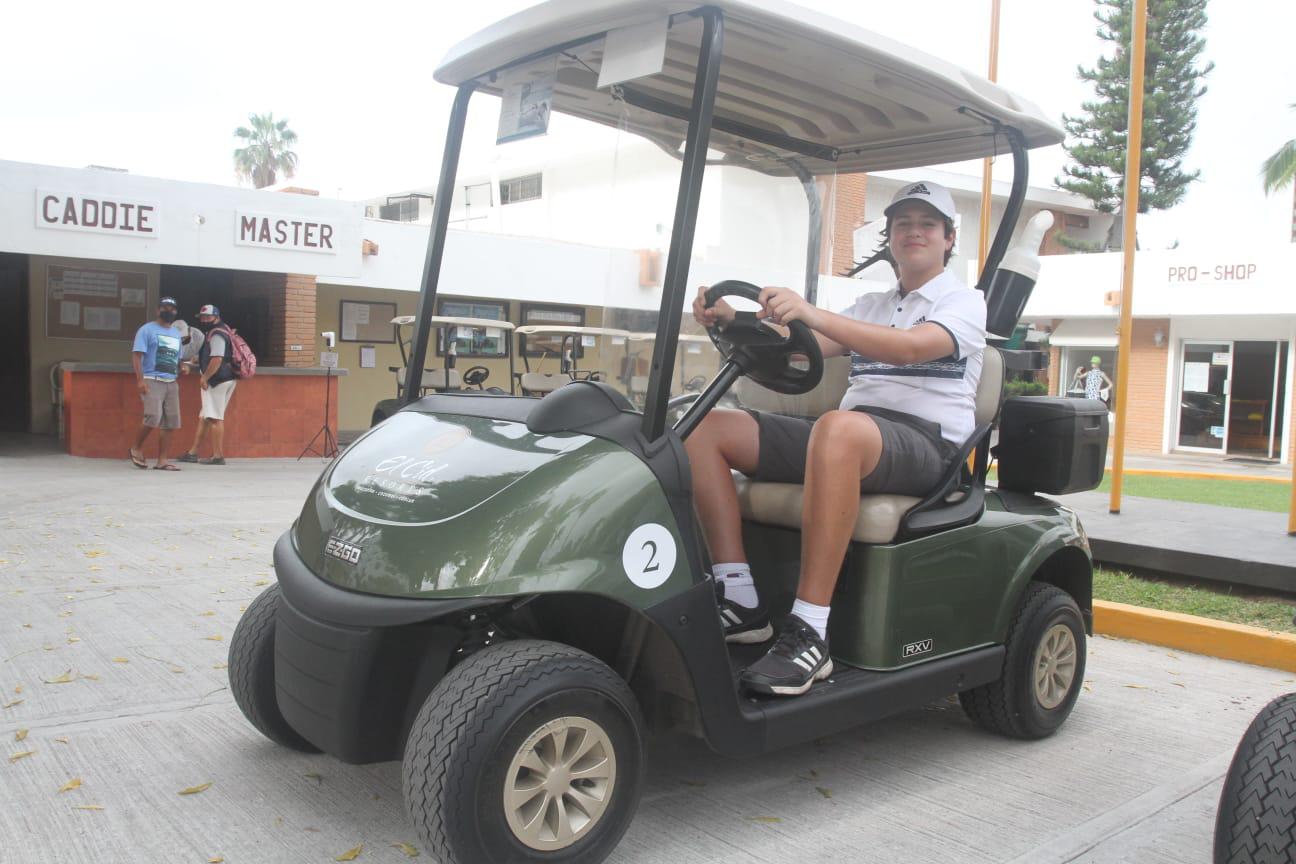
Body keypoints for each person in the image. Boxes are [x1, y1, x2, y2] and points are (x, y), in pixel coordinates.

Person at [686, 180, 986, 696]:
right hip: (852, 437)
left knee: (838, 428)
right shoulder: (871, 304)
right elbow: (796, 346)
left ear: (948, 239)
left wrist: (813, 312)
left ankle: (810, 630)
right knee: (705, 426)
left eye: (927, 224)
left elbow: (912, 349)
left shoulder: (964, 302)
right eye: (902, 224)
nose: (914, 232)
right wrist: (731, 318)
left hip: (928, 446)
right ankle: (740, 597)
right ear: (890, 237)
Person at [129, 297, 186, 470]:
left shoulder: (176, 333)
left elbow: (179, 359)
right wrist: (140, 380)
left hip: (171, 382)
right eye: (165, 308)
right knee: (152, 417)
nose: (169, 311)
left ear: (176, 312)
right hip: (152, 380)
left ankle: (162, 460)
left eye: (172, 309)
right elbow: (137, 355)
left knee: (171, 422)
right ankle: (136, 447)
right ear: (158, 310)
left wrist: (183, 367)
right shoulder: (146, 330)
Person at [178, 304, 237, 466]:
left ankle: (218, 456)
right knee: (205, 416)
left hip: (217, 380)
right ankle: (193, 452)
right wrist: (192, 361)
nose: (204, 320)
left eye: (207, 317)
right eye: (202, 317)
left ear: (216, 317)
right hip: (224, 378)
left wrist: (205, 377)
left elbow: (217, 358)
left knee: (215, 418)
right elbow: (208, 355)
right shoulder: (219, 331)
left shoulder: (217, 334)